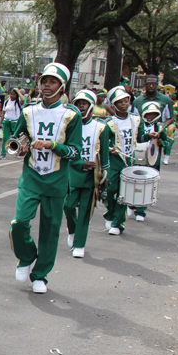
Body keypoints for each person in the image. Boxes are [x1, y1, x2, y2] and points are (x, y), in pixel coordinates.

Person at [9, 63, 82, 294]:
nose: (46, 85)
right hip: (31, 175)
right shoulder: (29, 111)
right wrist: (20, 147)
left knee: (50, 230)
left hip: (57, 179)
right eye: (44, 81)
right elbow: (17, 137)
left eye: (52, 81)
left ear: (62, 86)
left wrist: (53, 145)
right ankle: (26, 256)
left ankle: (41, 275)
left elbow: (76, 151)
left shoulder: (72, 115)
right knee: (19, 222)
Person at [64, 90, 111, 259]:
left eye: (84, 103)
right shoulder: (68, 124)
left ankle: (79, 244)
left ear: (91, 106)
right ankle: (72, 229)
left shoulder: (101, 127)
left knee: (85, 212)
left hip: (92, 176)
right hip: (71, 173)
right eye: (78, 103)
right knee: (68, 206)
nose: (81, 106)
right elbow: (65, 152)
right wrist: (79, 163)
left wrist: (105, 178)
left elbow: (105, 156)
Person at [103, 86, 140, 235]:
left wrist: (151, 137)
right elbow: (103, 142)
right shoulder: (109, 123)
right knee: (110, 190)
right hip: (114, 161)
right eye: (120, 102)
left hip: (129, 160)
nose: (124, 104)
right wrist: (109, 149)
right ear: (114, 105)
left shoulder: (136, 120)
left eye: (126, 101)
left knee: (123, 193)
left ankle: (118, 223)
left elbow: (141, 137)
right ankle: (110, 213)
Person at [130, 101, 167, 221]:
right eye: (148, 114)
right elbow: (134, 138)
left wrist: (162, 142)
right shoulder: (138, 124)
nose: (150, 117)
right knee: (133, 182)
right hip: (137, 157)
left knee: (147, 185)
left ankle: (141, 211)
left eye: (153, 114)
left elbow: (166, 141)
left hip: (152, 159)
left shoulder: (160, 127)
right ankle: (131, 204)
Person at [0, 87, 23, 159]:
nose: (12, 96)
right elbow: (3, 113)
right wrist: (0, 123)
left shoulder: (18, 102)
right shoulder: (6, 102)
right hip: (6, 121)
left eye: (14, 94)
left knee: (16, 137)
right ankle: (3, 153)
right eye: (11, 94)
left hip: (15, 122)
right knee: (5, 138)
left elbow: (23, 99)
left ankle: (18, 152)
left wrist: (18, 91)